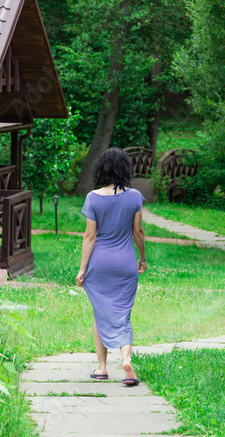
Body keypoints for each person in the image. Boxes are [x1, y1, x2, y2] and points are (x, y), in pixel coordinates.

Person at [76, 147, 147, 386]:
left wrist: (82, 268)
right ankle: (126, 359)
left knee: (100, 311)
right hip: (126, 263)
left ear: (101, 168)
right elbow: (138, 232)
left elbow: (89, 237)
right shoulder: (135, 196)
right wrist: (143, 258)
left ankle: (102, 368)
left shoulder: (93, 197)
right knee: (123, 313)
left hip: (100, 263)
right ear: (125, 169)